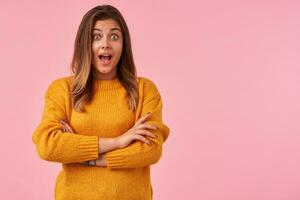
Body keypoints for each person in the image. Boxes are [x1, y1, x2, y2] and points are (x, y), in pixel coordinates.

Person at [32, 4, 170, 200]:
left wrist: (87, 158)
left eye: (114, 36)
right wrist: (119, 141)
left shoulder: (144, 89)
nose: (106, 44)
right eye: (96, 37)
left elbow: (151, 150)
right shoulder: (62, 89)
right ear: (84, 44)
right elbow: (48, 145)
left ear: (124, 44)